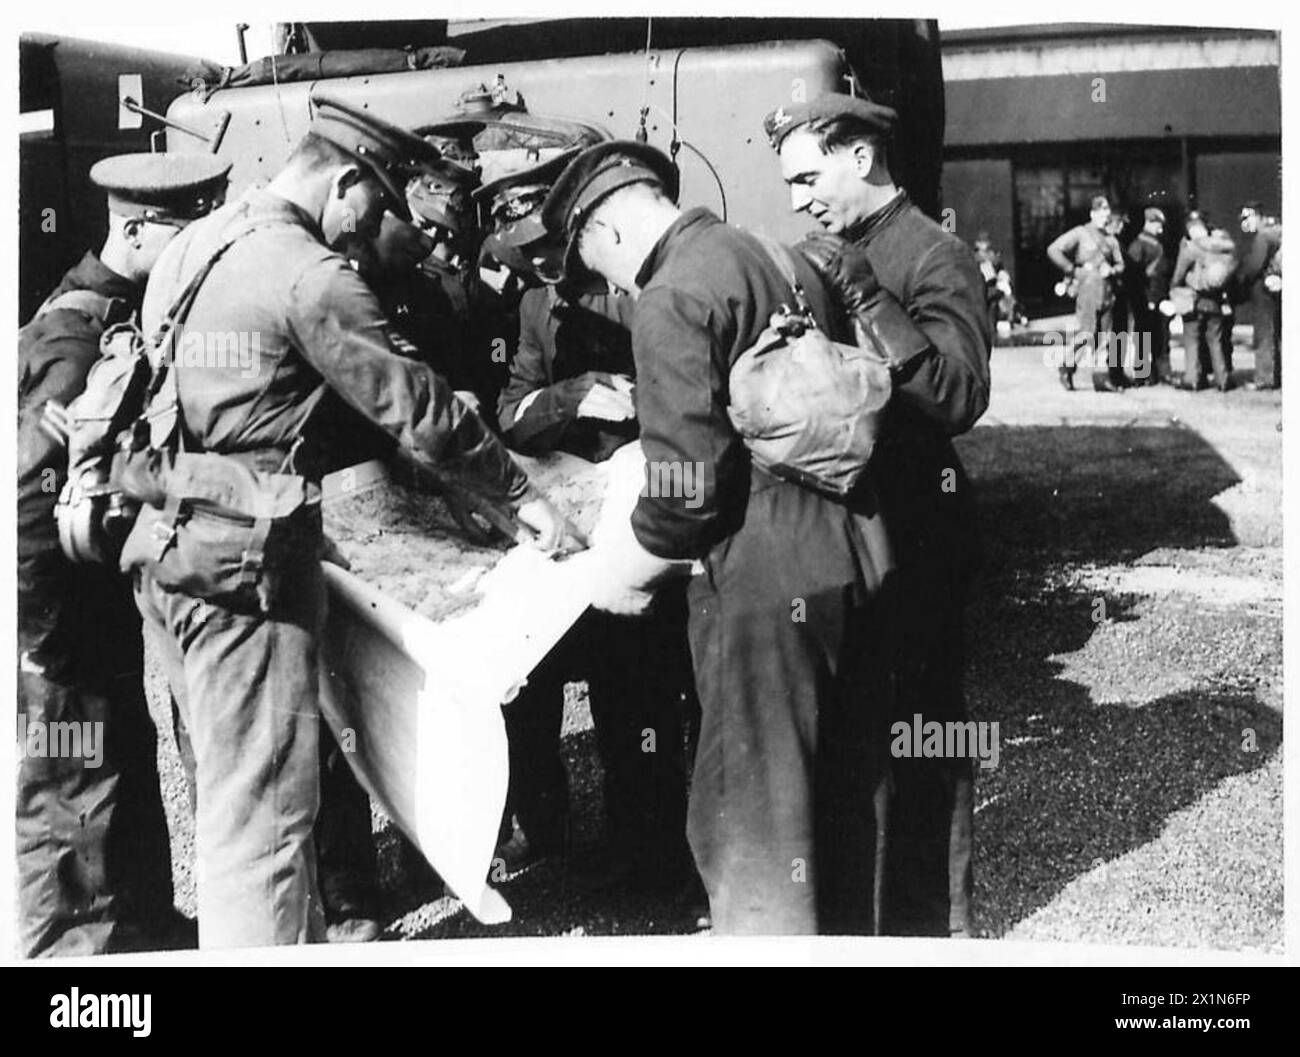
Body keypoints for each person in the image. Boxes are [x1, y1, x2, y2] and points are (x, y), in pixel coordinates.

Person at [123, 94, 567, 948]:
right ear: (351, 182)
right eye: (384, 205)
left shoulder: (199, 244)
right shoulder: (309, 271)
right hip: (243, 567)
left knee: (226, 793)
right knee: (271, 814)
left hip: (168, 548)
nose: (378, 229)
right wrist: (524, 501)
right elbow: (419, 409)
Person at [543, 139, 896, 934]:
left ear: (608, 231)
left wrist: (618, 572)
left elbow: (686, 493)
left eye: (596, 265)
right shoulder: (774, 252)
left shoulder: (671, 295)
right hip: (853, 548)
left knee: (752, 812)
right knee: (840, 799)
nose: (609, 285)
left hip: (761, 586)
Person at [763, 93, 991, 935]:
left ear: (861, 158)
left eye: (809, 176)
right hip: (854, 533)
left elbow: (961, 395)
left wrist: (868, 301)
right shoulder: (834, 248)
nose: (797, 198)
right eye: (789, 183)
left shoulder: (936, 254)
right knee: (862, 733)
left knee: (927, 733)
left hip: (921, 531)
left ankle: (938, 923)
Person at [17, 152, 230, 956]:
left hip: (93, 612)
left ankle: (144, 923)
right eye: (183, 228)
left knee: (124, 763)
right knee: (72, 785)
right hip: (60, 627)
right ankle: (80, 951)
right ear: (136, 230)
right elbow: (29, 509)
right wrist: (49, 650)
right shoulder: (72, 339)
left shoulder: (124, 316)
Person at [484, 151, 696, 893]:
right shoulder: (538, 307)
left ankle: (656, 851)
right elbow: (509, 413)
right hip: (570, 525)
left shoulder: (645, 288)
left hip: (648, 522)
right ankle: (555, 837)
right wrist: (566, 397)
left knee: (639, 692)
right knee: (533, 684)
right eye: (529, 255)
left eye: (552, 248)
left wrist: (643, 403)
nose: (544, 265)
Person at [1047, 194, 1126, 391]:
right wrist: (1072, 270)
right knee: (1087, 332)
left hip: (1108, 290)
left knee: (1106, 335)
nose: (1104, 216)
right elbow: (1054, 249)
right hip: (1088, 289)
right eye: (1100, 212)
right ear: (1092, 213)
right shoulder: (1081, 233)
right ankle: (1067, 366)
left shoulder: (1111, 239)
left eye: (1107, 213)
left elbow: (1120, 264)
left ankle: (1101, 377)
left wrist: (1114, 270)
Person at [1171, 210, 1237, 391]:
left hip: (1194, 300)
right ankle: (1223, 380)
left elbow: (1178, 274)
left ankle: (1192, 379)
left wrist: (1174, 288)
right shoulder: (1223, 248)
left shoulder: (1191, 249)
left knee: (1192, 340)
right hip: (1215, 302)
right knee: (1215, 342)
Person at [1125, 207, 1173, 386]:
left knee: (1159, 335)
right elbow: (1136, 275)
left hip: (1156, 297)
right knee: (1145, 335)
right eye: (1159, 223)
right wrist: (1149, 299)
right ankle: (1144, 373)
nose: (1161, 227)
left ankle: (1154, 373)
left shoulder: (1152, 242)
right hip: (1146, 298)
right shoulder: (1141, 244)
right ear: (1151, 223)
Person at [1238, 201, 1281, 389]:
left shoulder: (1262, 238)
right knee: (1277, 333)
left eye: (1246, 218)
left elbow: (1254, 266)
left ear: (1257, 215)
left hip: (1263, 292)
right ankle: (1278, 375)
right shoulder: (1277, 233)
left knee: (1264, 335)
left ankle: (1265, 378)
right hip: (1277, 288)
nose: (1243, 223)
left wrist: (1240, 280)